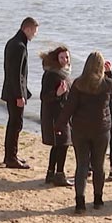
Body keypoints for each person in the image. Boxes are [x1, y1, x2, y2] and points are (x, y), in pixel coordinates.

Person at [56, 51, 112, 213]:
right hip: (101, 130)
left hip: (80, 130)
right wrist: (109, 72)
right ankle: (98, 199)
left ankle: (80, 202)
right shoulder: (107, 84)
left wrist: (60, 125)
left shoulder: (78, 83)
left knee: (82, 165)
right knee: (98, 166)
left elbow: (69, 107)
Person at [1, 17, 37, 169]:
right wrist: (19, 96)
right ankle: (11, 158)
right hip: (15, 92)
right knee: (16, 124)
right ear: (27, 29)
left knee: (13, 123)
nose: (35, 35)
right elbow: (17, 74)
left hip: (10, 90)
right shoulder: (20, 46)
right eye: (34, 31)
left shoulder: (13, 42)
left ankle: (10, 155)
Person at [40, 46, 73, 187]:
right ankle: (59, 174)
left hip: (62, 114)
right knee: (63, 144)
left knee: (58, 145)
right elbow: (43, 96)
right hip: (55, 116)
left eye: (67, 57)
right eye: (62, 57)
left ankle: (50, 173)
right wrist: (57, 94)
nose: (65, 60)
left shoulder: (63, 73)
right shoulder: (51, 74)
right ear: (56, 58)